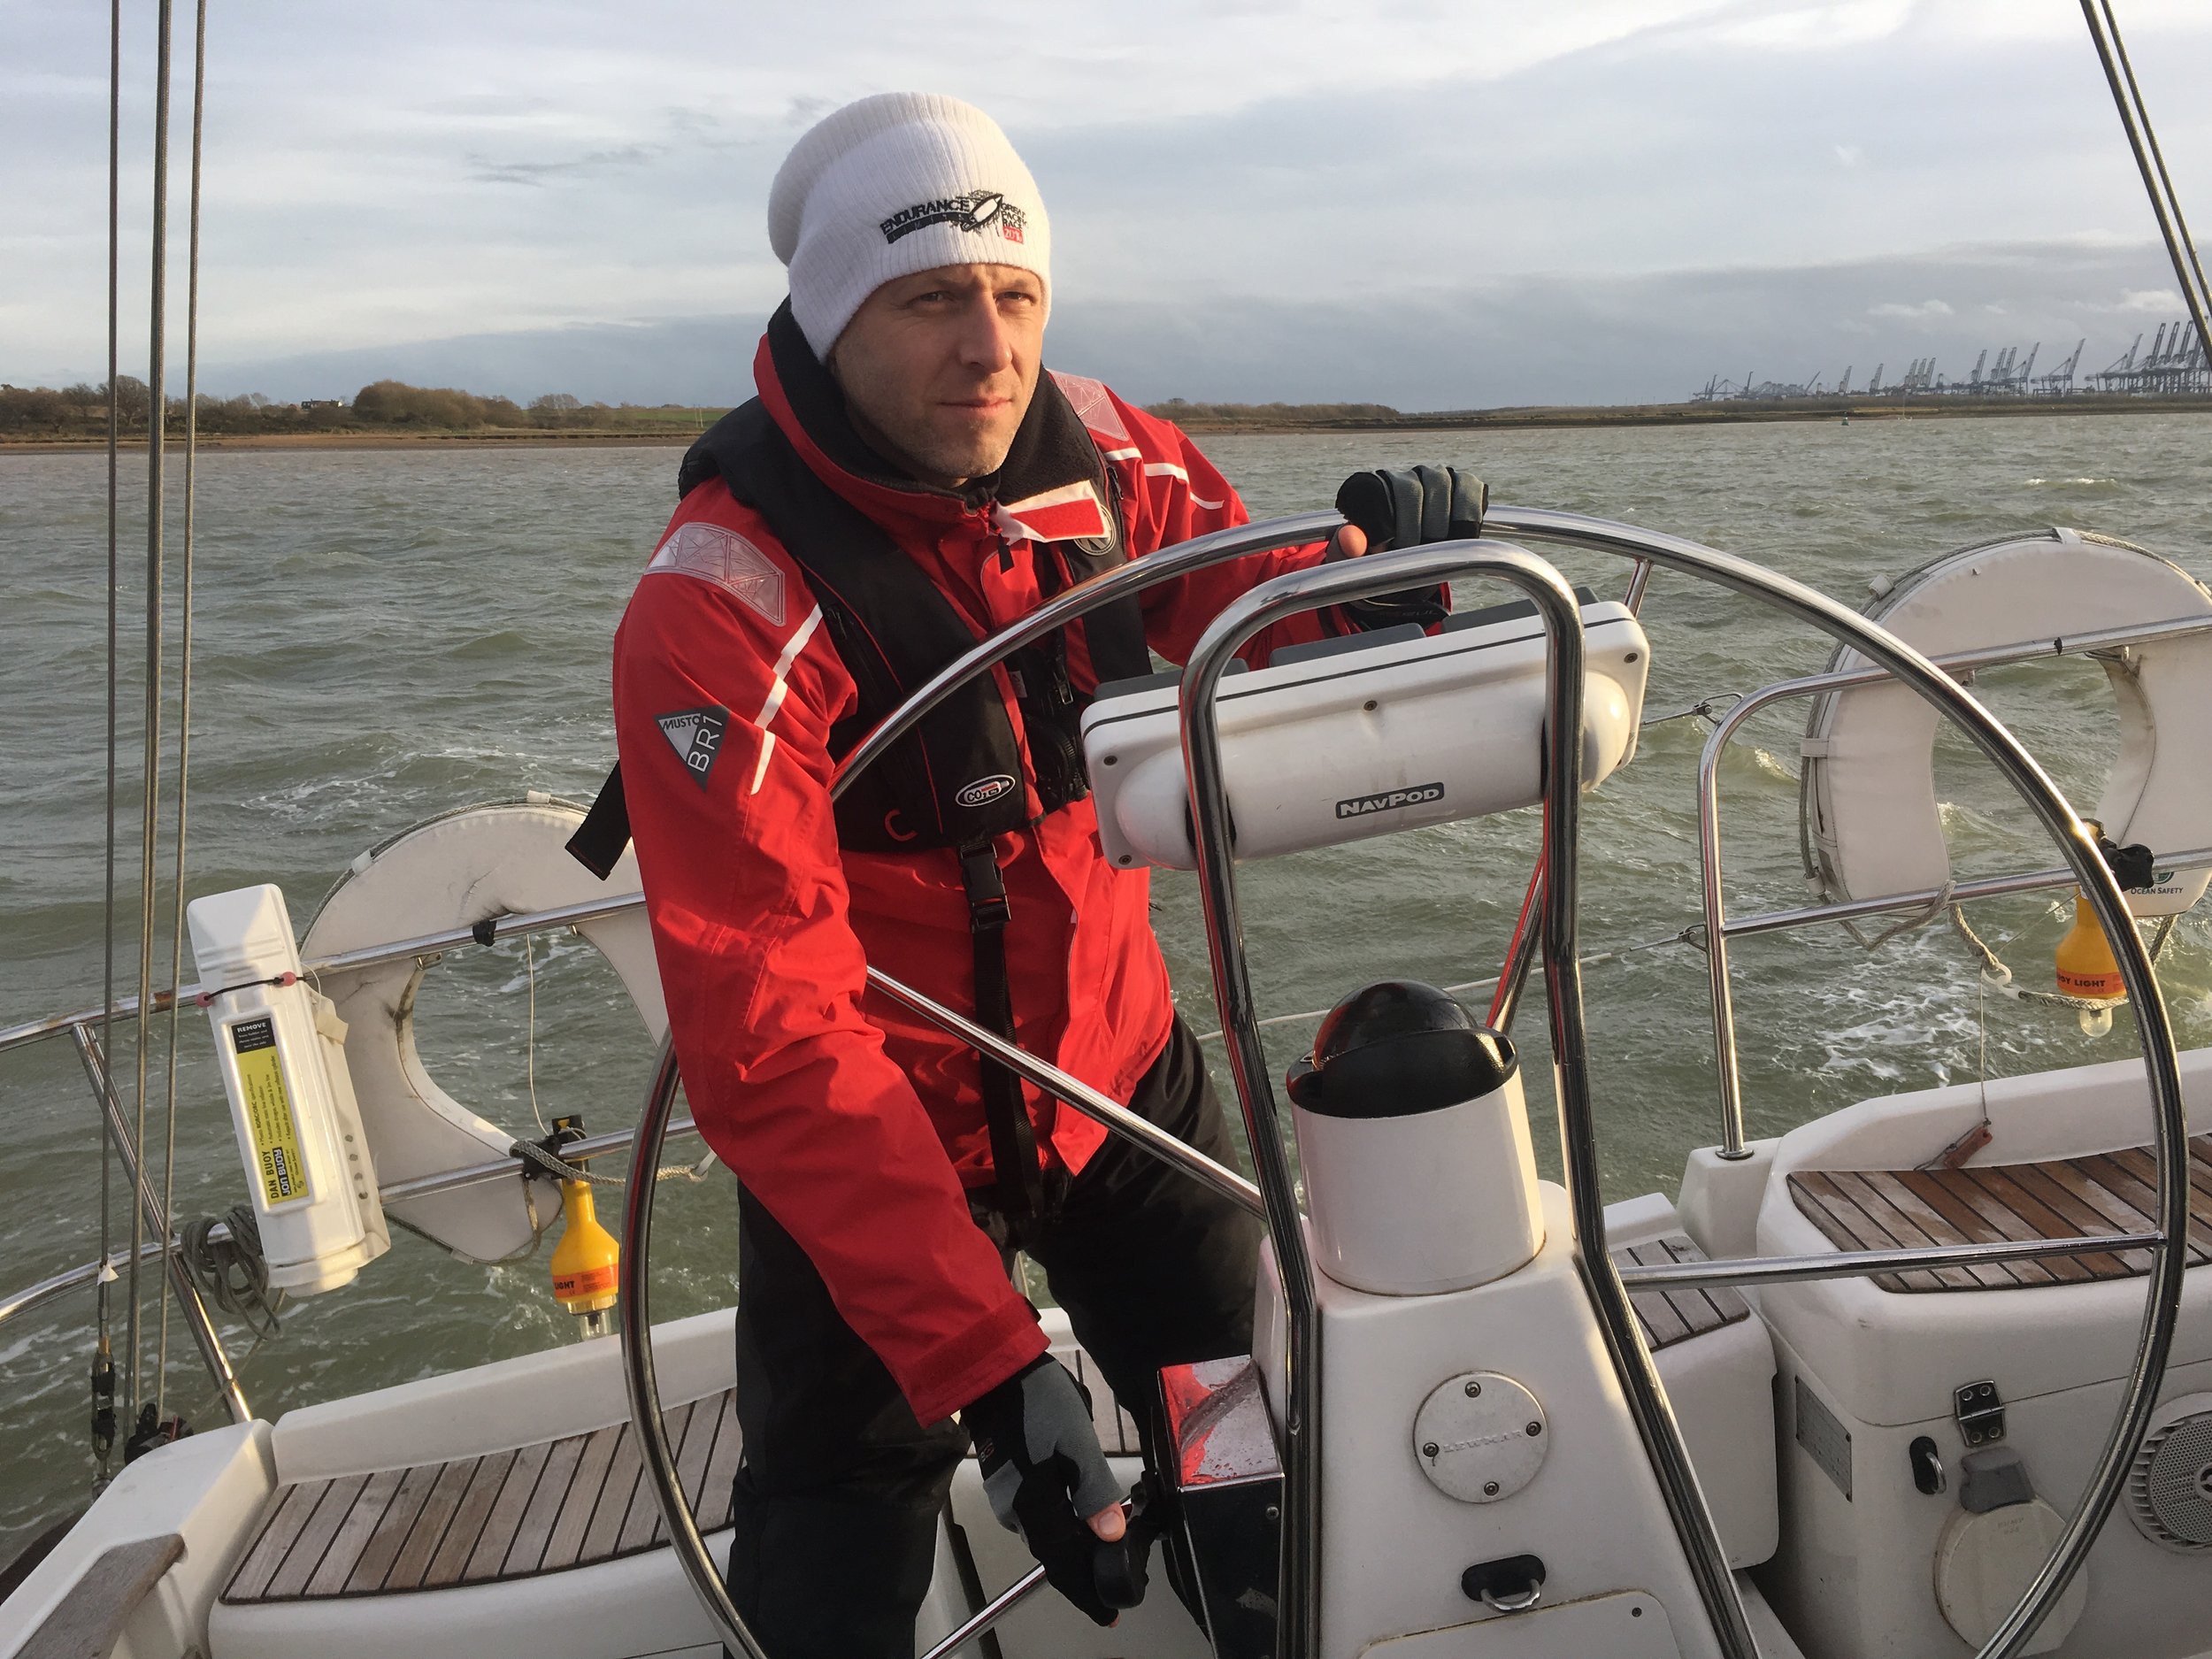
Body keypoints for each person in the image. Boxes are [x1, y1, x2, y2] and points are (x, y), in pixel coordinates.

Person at [607, 92, 1478, 1658]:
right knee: (835, 1548)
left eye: (1015, 296)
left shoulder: (1109, 457)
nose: (988, 348)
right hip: (877, 1143)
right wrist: (993, 1374)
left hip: (1121, 1090)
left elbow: (1246, 593)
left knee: (1244, 1450)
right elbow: (771, 1024)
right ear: (827, 320)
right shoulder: (719, 608)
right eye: (931, 299)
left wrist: (1375, 581)